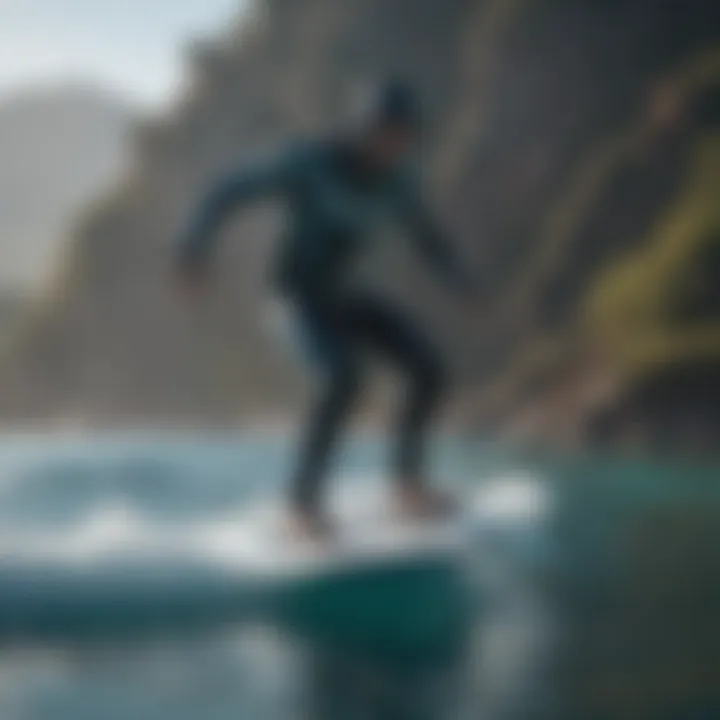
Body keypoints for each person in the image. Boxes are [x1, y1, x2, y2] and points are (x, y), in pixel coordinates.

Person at [176, 80, 477, 540]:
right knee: (344, 378)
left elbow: (429, 239)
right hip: (292, 299)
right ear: (361, 129)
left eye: (401, 135)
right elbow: (226, 191)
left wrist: (460, 282)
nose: (390, 144)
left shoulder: (402, 182)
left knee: (429, 368)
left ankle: (407, 486)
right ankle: (302, 506)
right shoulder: (309, 163)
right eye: (382, 131)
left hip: (338, 296)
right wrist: (194, 250)